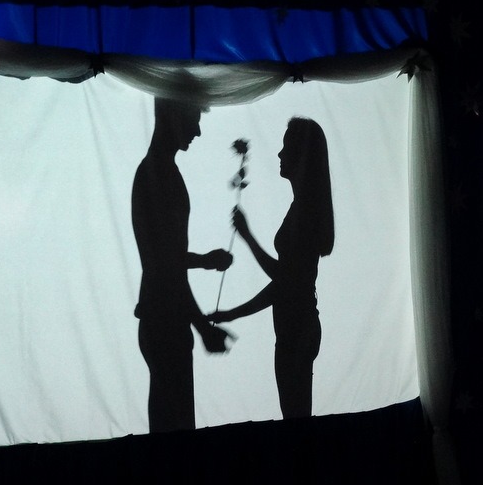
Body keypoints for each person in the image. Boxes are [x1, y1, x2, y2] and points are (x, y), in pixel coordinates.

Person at [208, 116, 335, 419]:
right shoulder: (303, 207)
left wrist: (247, 236)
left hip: (296, 332)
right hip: (298, 329)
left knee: (296, 421)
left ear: (301, 155)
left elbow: (285, 281)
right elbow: (287, 281)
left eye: (286, 147)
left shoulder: (304, 211)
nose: (279, 153)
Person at [131, 95, 236, 433]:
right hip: (165, 322)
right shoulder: (161, 175)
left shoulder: (155, 172)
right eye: (194, 119)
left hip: (160, 319)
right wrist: (202, 327)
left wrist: (203, 261)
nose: (198, 131)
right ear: (173, 115)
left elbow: (163, 259)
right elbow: (166, 267)